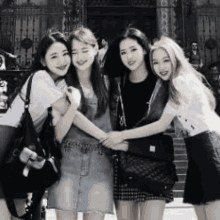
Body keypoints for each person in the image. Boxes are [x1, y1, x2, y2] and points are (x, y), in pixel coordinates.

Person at [102, 36, 220, 220]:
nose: (161, 67)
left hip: (207, 149)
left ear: (176, 58)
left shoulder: (179, 82)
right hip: (198, 150)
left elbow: (160, 125)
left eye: (166, 60)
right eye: (156, 62)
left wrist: (121, 135)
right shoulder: (183, 80)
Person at [0, 31, 108, 220]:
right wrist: (103, 136)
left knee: (15, 209)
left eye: (65, 54)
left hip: (18, 152)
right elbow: (72, 115)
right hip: (5, 143)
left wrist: (73, 106)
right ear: (43, 61)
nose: (62, 61)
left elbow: (58, 134)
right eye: (54, 56)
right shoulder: (41, 78)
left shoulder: (58, 84)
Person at [47, 26, 125, 220]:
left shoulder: (109, 84)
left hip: (100, 163)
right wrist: (73, 106)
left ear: (95, 48)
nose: (80, 57)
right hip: (67, 163)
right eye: (74, 52)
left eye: (85, 50)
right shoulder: (61, 84)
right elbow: (57, 134)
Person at [102, 28, 176, 220]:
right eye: (123, 52)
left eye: (133, 49)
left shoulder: (162, 81)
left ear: (144, 49)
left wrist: (123, 138)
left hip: (154, 162)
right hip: (125, 164)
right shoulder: (116, 83)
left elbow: (164, 124)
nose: (129, 56)